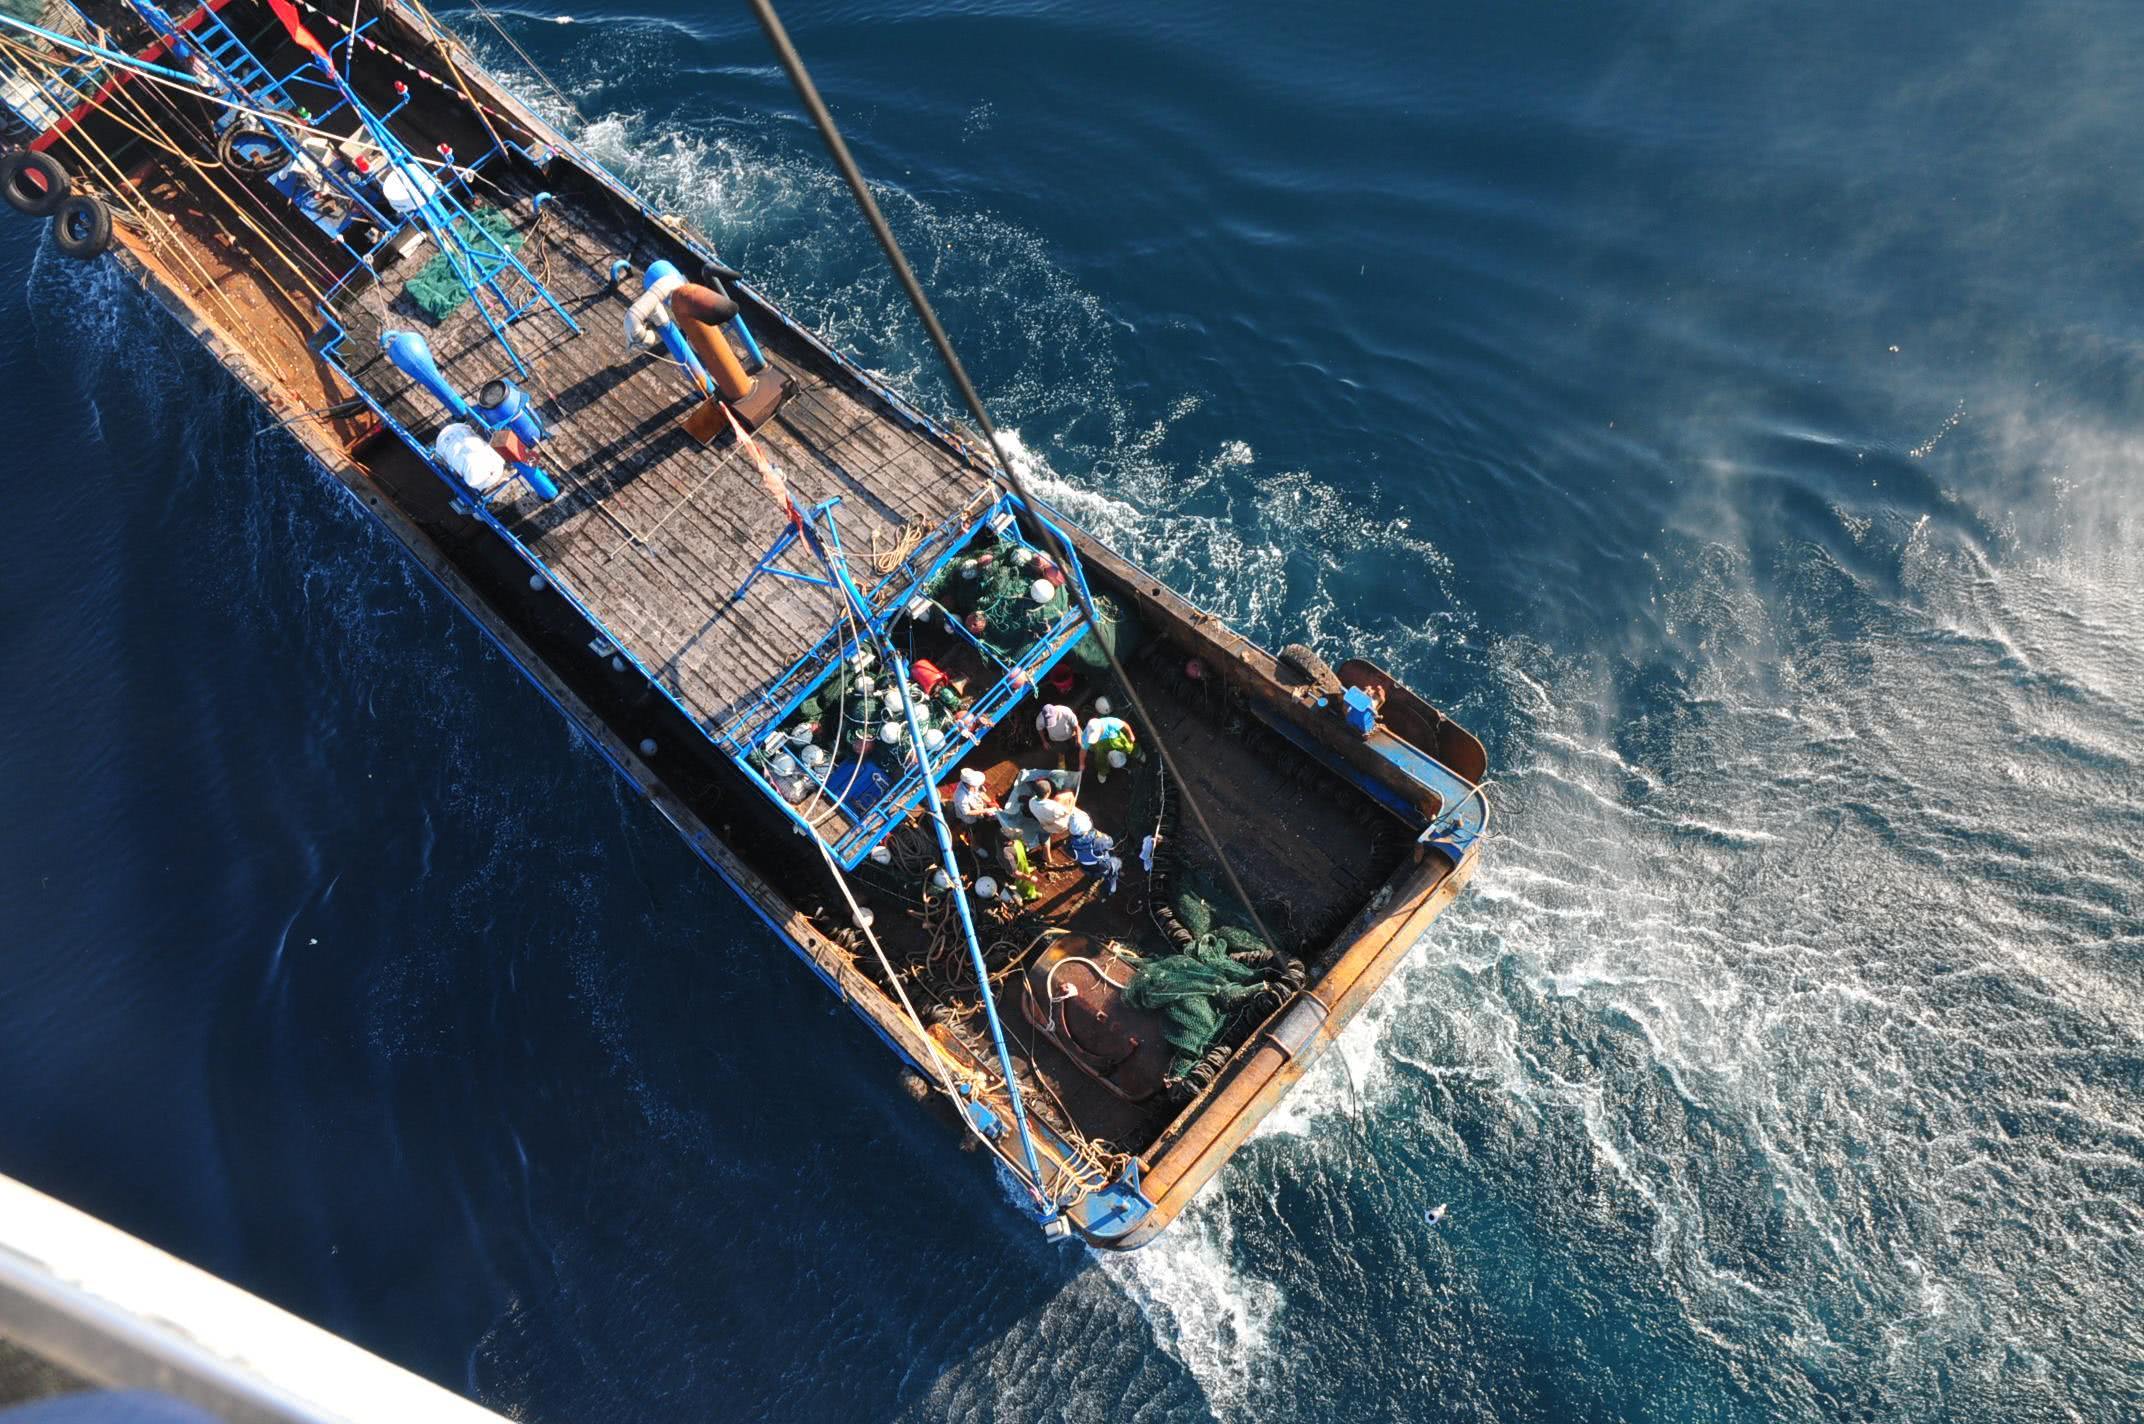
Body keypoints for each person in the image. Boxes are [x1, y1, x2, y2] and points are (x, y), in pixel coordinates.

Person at [1064, 809, 1122, 895]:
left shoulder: (1069, 845)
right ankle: (1112, 886)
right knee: (1117, 862)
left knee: (1092, 872)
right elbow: (1110, 842)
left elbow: (1070, 848)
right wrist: (1099, 834)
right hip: (1101, 866)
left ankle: (1093, 876)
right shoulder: (1098, 841)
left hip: (1085, 867)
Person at [1080, 713, 1138, 782]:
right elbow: (1083, 750)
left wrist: (1131, 735)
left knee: (1128, 746)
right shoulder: (1086, 735)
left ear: (1100, 729)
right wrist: (1081, 763)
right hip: (1100, 748)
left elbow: (1125, 725)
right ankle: (1103, 772)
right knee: (1100, 758)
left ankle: (1138, 754)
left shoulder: (1111, 722)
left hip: (1115, 739)